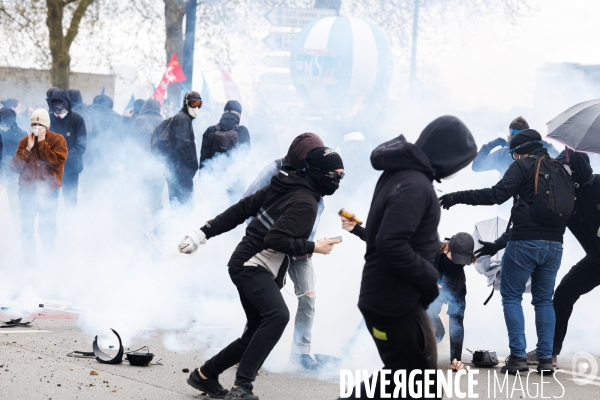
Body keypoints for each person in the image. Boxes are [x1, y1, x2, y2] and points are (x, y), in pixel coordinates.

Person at [178, 147, 344, 400]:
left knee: (255, 332)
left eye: (342, 176)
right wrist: (314, 247)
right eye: (335, 175)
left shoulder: (286, 184)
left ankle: (204, 375)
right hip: (253, 266)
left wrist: (203, 233)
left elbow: (241, 209)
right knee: (277, 317)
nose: (338, 181)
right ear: (318, 173)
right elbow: (275, 238)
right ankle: (242, 386)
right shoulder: (305, 202)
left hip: (246, 263)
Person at [341, 116, 477, 399]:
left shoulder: (401, 174)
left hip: (395, 298)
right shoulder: (416, 185)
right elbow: (390, 243)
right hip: (393, 301)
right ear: (447, 155)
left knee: (404, 378)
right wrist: (428, 278)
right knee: (418, 383)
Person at [439, 129, 567, 375]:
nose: (514, 157)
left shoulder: (522, 166)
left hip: (524, 244)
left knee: (511, 296)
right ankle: (546, 359)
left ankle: (518, 358)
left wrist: (458, 196)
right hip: (555, 245)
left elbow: (495, 195)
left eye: (514, 154)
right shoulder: (559, 167)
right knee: (543, 300)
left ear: (520, 151)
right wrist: (497, 244)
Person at [479, 149, 600, 368]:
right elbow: (532, 224)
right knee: (563, 293)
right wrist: (498, 244)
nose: (560, 173)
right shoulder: (562, 192)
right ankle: (550, 353)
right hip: (596, 260)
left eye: (564, 168)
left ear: (576, 172)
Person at [243, 132, 326, 371]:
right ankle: (249, 349)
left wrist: (310, 242)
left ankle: (300, 352)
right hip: (271, 244)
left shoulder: (317, 172)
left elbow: (317, 208)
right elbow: (247, 201)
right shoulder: (274, 170)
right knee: (265, 302)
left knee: (308, 297)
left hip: (302, 248)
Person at [9, 109, 68, 264]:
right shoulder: (25, 141)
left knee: (47, 228)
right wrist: (28, 149)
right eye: (34, 124)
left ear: (47, 126)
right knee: (27, 228)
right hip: (27, 192)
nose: (36, 127)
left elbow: (56, 162)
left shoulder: (58, 140)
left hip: (49, 192)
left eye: (40, 124)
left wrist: (42, 144)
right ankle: (30, 262)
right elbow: (15, 167)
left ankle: (49, 260)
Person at [427, 233, 476, 370]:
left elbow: (457, 323)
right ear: (446, 249)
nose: (457, 264)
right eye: (455, 259)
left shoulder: (458, 282)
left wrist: (456, 359)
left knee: (437, 332)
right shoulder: (430, 250)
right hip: (409, 296)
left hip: (431, 305)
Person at [472, 117, 558, 177]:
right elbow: (559, 161)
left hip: (508, 198)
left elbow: (477, 166)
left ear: (510, 134)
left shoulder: (503, 154)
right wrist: (545, 144)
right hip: (535, 200)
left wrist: (491, 145)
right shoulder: (540, 152)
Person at [48, 89, 87, 209]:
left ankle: (70, 224)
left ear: (67, 103)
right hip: (51, 168)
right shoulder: (48, 118)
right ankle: (51, 224)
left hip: (71, 167)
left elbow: (81, 146)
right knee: (50, 200)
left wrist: (62, 158)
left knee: (70, 200)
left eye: (60, 105)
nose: (58, 109)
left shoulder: (77, 119)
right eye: (55, 106)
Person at [127, 98, 165, 217]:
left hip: (140, 164)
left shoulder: (138, 120)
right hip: (158, 166)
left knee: (140, 198)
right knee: (156, 201)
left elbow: (131, 142)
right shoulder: (164, 121)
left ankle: (140, 229)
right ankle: (161, 230)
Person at [165, 91, 200, 208]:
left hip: (178, 171)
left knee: (178, 208)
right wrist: (193, 164)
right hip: (181, 172)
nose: (196, 107)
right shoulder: (183, 119)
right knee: (184, 209)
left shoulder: (183, 118)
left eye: (199, 104)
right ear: (186, 103)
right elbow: (183, 144)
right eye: (193, 103)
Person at [199, 100, 250, 170]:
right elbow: (245, 156)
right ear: (238, 116)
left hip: (212, 177)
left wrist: (203, 179)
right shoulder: (242, 131)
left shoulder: (210, 131)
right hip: (234, 176)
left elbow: (204, 161)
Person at [0, 108, 28, 217]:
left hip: (15, 175)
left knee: (16, 204)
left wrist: (20, 175)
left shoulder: (21, 134)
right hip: (4, 173)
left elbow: (26, 157)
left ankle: (18, 227)